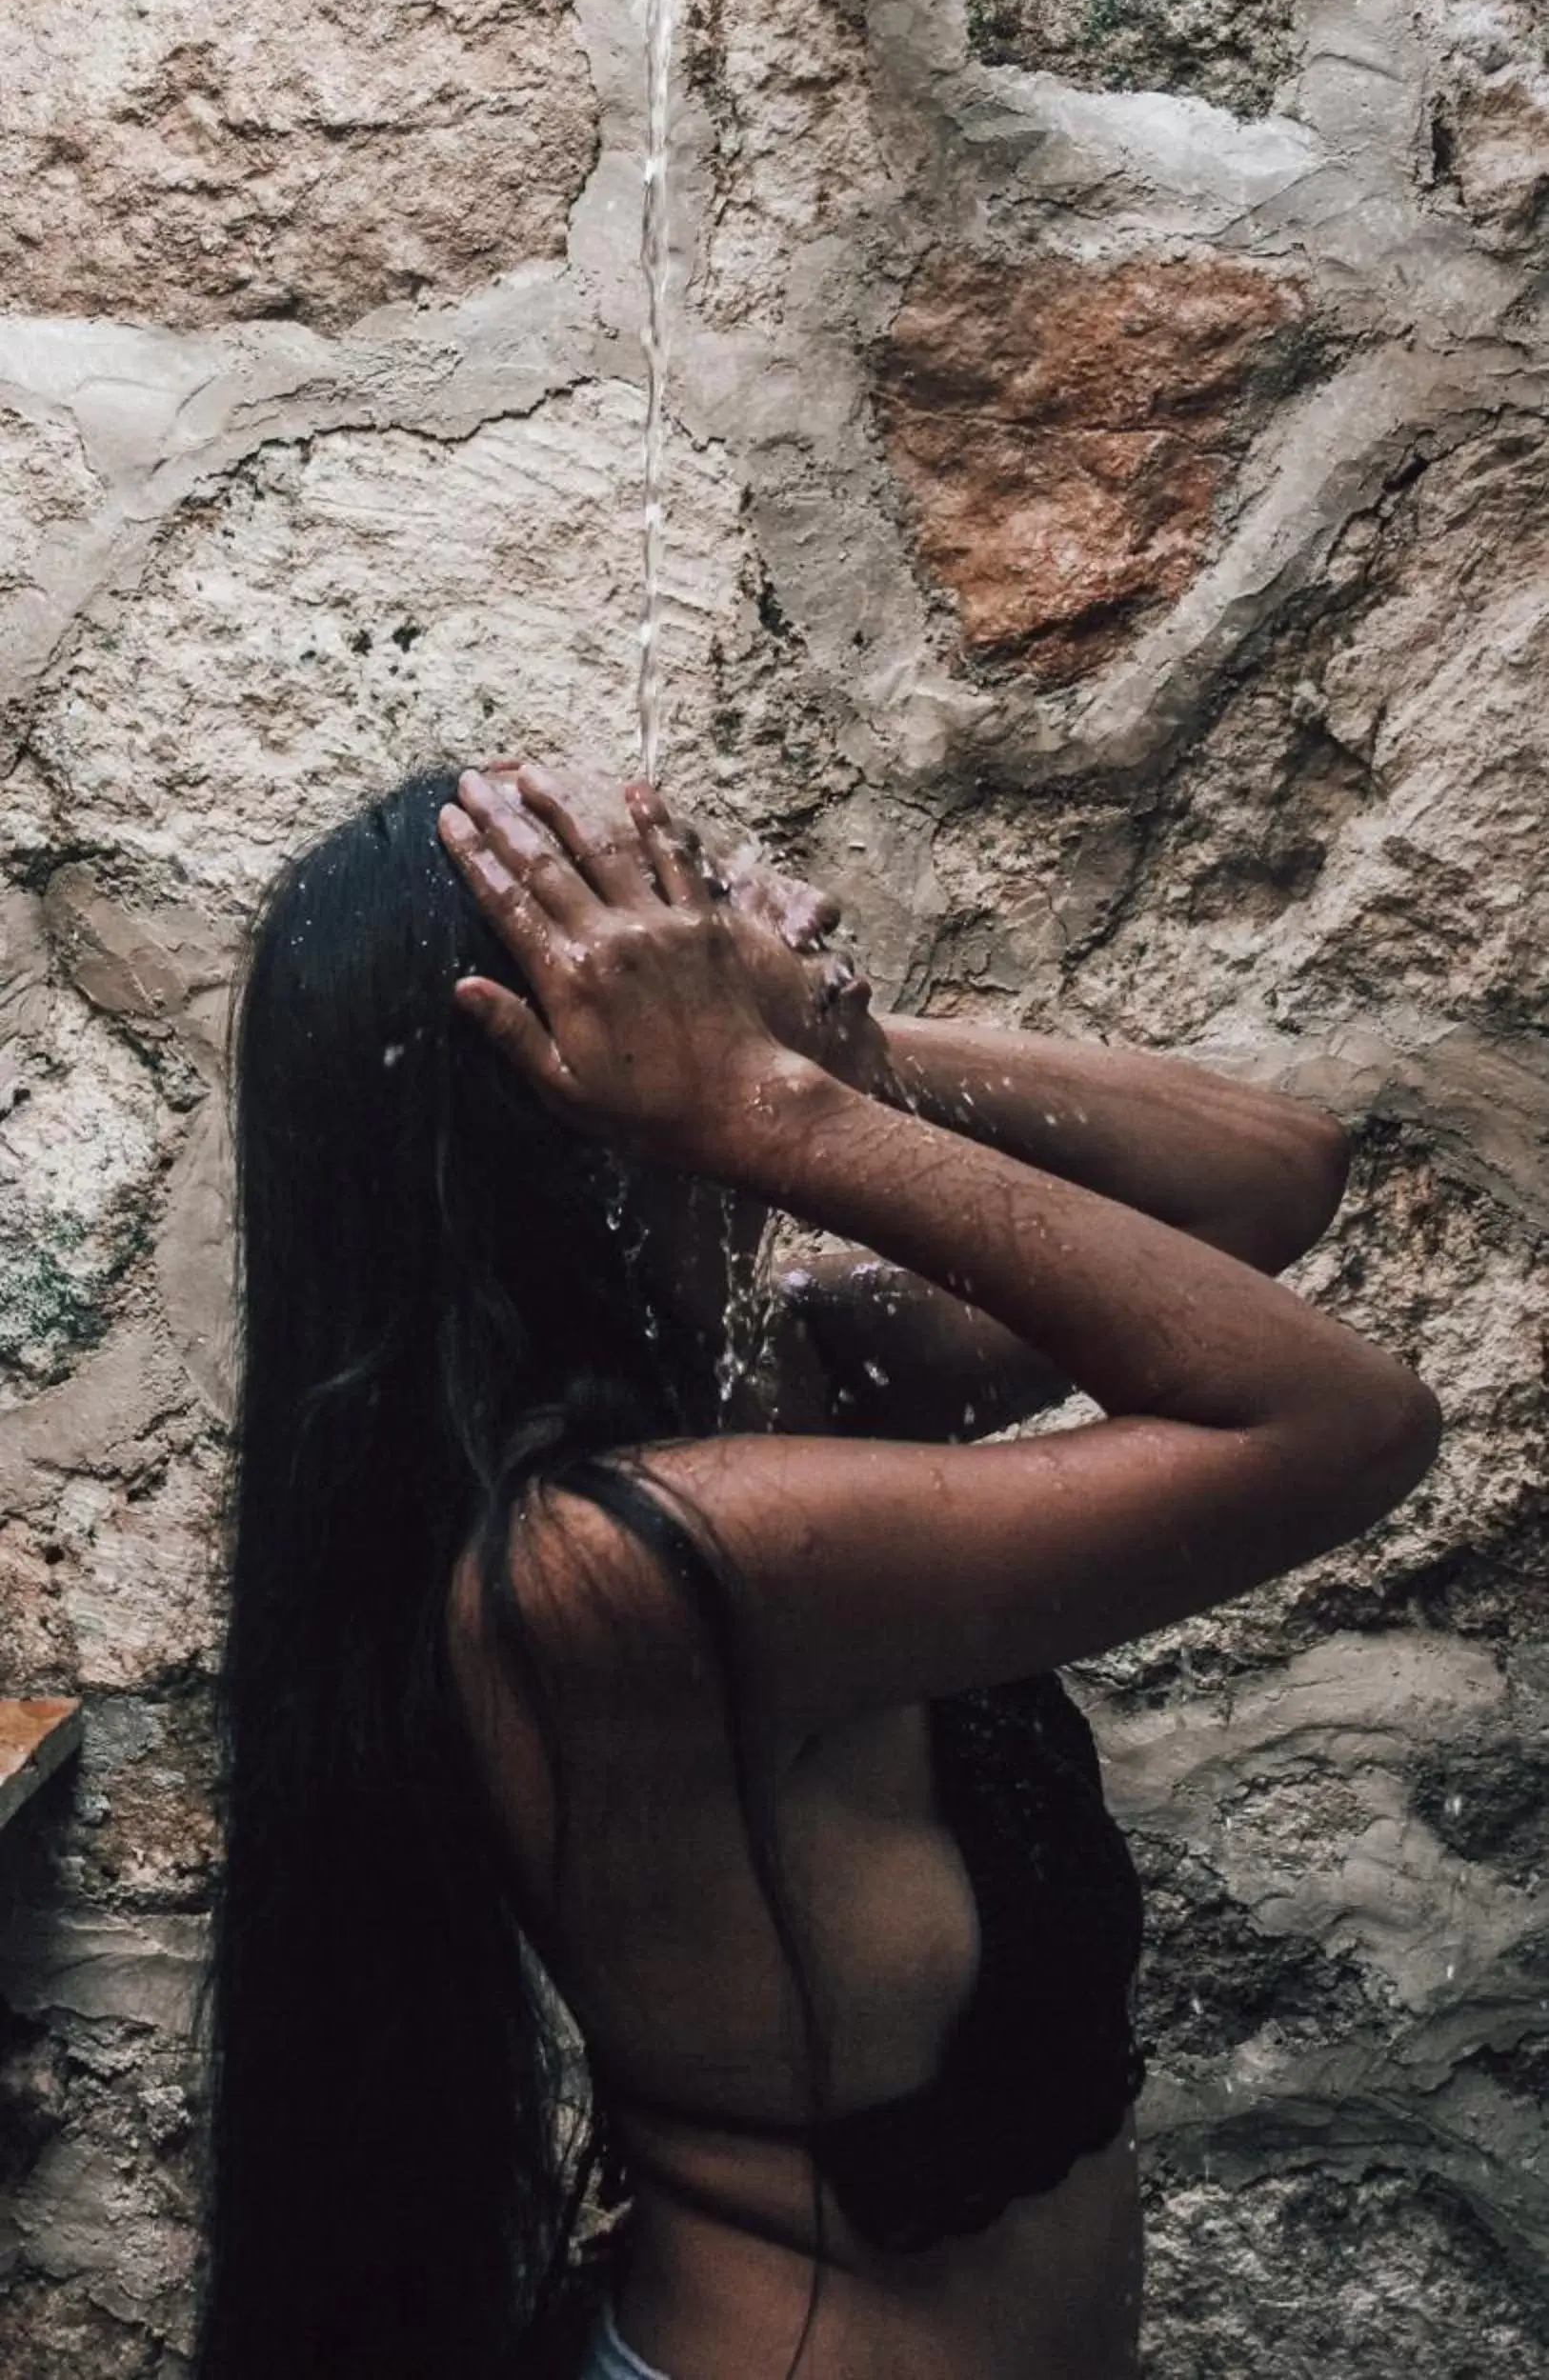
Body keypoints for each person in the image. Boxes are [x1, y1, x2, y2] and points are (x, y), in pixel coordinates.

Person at [194, 757, 1440, 2380]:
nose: (808, 901)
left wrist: (813, 1042)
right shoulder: (608, 1563)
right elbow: (1344, 1424)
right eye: (711, 891)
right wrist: (768, 1089)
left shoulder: (776, 1366)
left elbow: (1269, 1173)